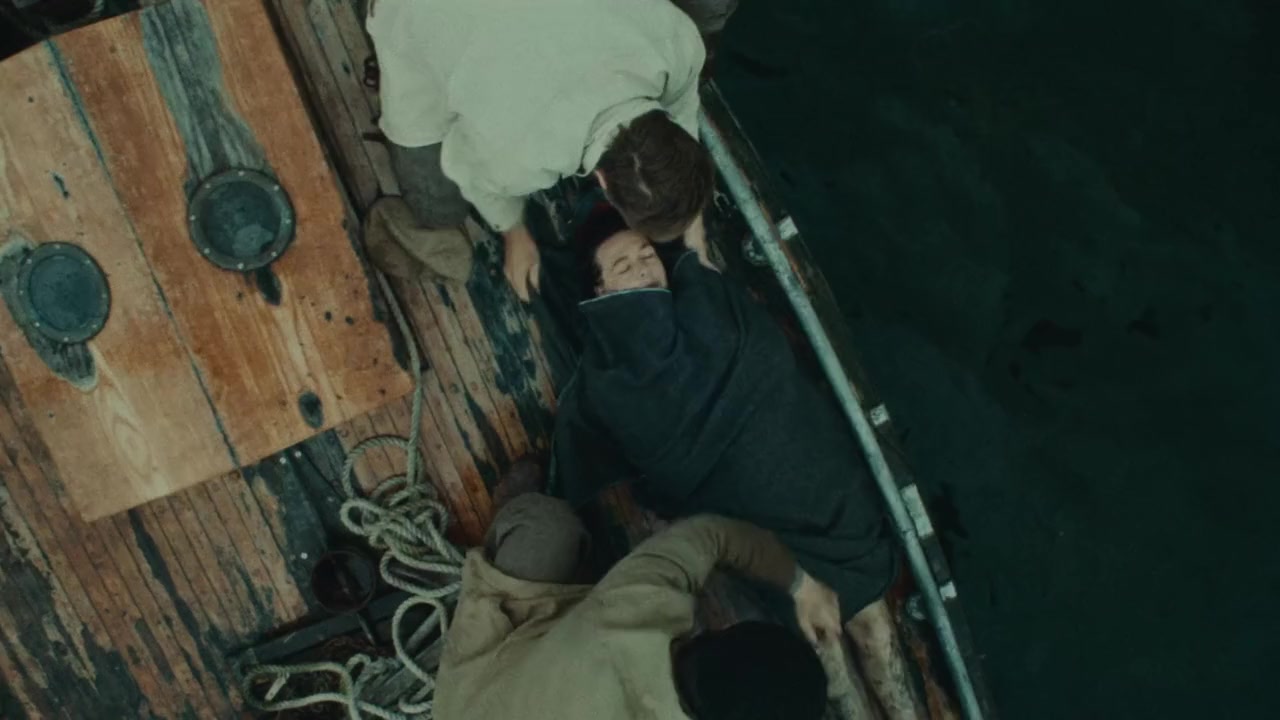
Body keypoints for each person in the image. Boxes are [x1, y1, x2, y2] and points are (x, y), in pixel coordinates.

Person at [550, 205, 926, 720]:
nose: (643, 268)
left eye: (646, 254)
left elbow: (699, 251)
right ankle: (849, 703)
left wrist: (689, 213)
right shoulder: (612, 376)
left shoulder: (695, 292)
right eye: (623, 266)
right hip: (758, 517)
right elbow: (658, 451)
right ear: (600, 291)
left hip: (816, 484)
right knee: (827, 648)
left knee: (874, 628)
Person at [363, 0, 734, 296]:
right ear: (602, 183)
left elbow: (683, 106)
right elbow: (466, 167)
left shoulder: (676, 41)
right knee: (436, 206)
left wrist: (689, 214)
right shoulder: (515, 159)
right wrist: (514, 232)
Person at [432, 459, 839, 720]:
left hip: (468, 703)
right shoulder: (630, 608)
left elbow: (712, 536)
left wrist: (801, 583)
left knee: (546, 527)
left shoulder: (637, 607)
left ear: (720, 632)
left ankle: (521, 517)